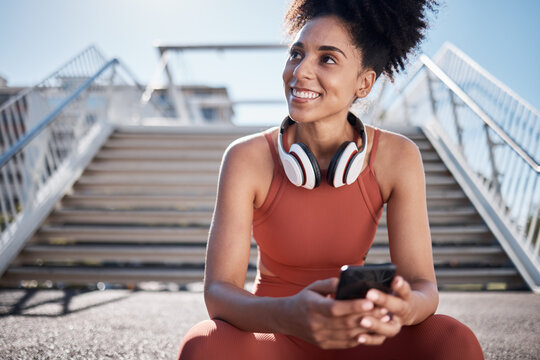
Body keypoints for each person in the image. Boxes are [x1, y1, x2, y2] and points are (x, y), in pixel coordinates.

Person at [178, 0, 484, 359]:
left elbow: (423, 288)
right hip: (275, 333)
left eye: (327, 58)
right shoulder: (246, 157)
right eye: (296, 53)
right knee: (205, 343)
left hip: (361, 336)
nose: (300, 71)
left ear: (364, 82)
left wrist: (404, 308)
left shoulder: (397, 157)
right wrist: (290, 315)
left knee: (453, 338)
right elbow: (219, 291)